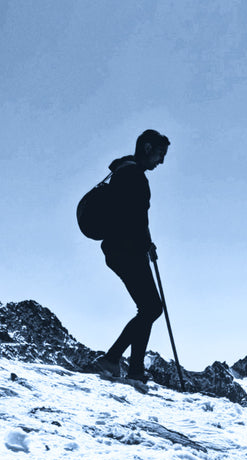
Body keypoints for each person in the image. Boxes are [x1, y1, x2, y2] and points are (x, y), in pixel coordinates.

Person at [93, 129, 170, 383]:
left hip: (120, 249)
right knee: (151, 308)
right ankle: (115, 360)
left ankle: (131, 367)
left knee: (147, 308)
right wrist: (145, 243)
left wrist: (146, 243)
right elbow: (135, 217)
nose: (161, 161)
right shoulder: (133, 175)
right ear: (147, 148)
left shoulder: (123, 171)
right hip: (127, 250)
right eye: (160, 154)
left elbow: (130, 215)